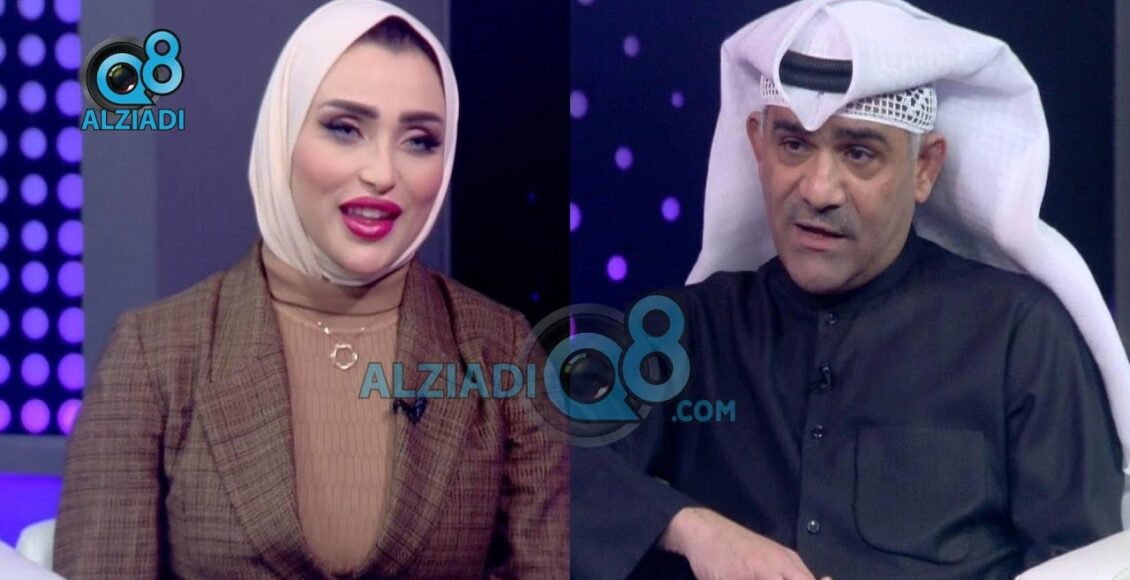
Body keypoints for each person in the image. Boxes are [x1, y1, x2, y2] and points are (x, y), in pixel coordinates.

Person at [572, 0, 1129, 578]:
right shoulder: (688, 332)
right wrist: (695, 529)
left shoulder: (1019, 337)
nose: (818, 190)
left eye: (858, 153)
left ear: (924, 168)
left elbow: (1087, 566)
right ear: (758, 147)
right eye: (794, 144)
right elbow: (544, 455)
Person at [54, 1, 569, 578]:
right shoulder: (156, 353)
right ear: (283, 135)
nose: (382, 173)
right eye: (345, 129)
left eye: (420, 140)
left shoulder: (502, 350)